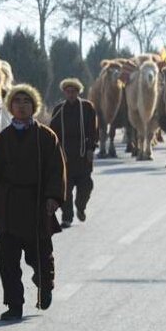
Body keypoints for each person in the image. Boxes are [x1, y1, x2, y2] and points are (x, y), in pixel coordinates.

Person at [0, 84, 67, 321]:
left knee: (40, 256)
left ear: (34, 106)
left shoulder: (46, 137)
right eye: (17, 101)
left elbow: (56, 170)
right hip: (7, 207)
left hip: (36, 205)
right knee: (7, 262)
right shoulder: (2, 140)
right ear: (10, 107)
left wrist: (53, 198)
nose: (21, 105)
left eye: (26, 101)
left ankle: (45, 285)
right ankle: (14, 305)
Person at [50, 78, 97, 227]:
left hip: (83, 155)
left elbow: (93, 129)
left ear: (78, 92)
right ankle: (67, 217)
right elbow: (52, 132)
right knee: (66, 189)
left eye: (73, 92)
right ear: (64, 92)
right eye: (68, 92)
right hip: (65, 156)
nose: (70, 94)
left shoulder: (87, 107)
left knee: (86, 186)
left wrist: (91, 148)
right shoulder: (59, 110)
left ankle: (81, 207)